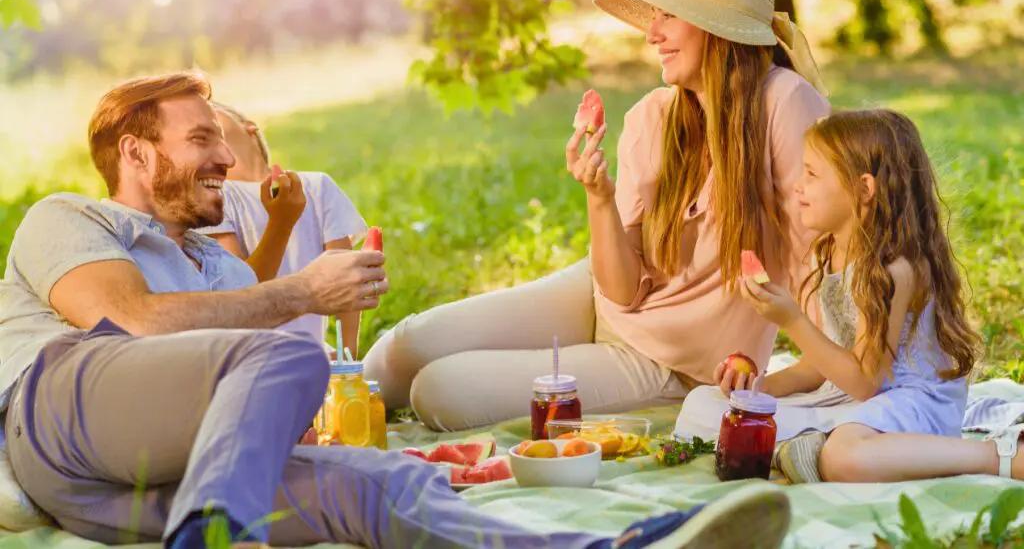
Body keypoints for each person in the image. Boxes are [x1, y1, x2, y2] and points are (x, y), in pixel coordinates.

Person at [0, 70, 794, 549]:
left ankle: (606, 543)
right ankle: (217, 535)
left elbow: (234, 349)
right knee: (289, 351)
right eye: (201, 137)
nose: (225, 158)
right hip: (56, 409)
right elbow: (134, 321)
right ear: (136, 154)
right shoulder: (73, 216)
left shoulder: (214, 258)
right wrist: (304, 293)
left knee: (378, 483)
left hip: (126, 476)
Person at [364, 0, 832, 432]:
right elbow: (622, 290)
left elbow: (818, 256)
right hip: (603, 297)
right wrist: (600, 198)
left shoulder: (786, 104)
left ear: (717, 27)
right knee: (410, 343)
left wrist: (823, 365)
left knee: (440, 391)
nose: (653, 34)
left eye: (669, 15)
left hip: (671, 363)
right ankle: (308, 405)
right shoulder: (653, 116)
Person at [690, 109, 1023, 484]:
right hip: (858, 397)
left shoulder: (893, 269)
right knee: (704, 406)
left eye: (812, 174)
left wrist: (792, 322)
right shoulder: (832, 250)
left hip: (912, 402)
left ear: (864, 190)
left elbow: (867, 382)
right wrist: (756, 389)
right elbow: (823, 362)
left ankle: (993, 456)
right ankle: (805, 447)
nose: (798, 186)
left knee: (844, 458)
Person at [197, 101, 368, 353]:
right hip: (251, 355)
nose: (207, 129)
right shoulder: (214, 198)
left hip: (313, 352)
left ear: (250, 128)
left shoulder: (317, 185)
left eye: (214, 117)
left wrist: (348, 361)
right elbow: (240, 292)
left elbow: (348, 280)